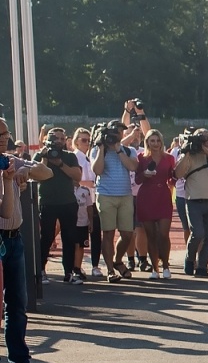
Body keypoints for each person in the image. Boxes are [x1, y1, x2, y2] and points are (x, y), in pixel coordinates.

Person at [1, 119, 53, 363]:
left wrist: (24, 172)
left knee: (18, 305)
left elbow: (46, 173)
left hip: (14, 238)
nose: (2, 137)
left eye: (5, 133)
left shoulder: (11, 160)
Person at [90, 120, 142, 282]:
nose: (118, 135)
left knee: (127, 234)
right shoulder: (98, 150)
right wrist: (102, 147)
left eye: (120, 132)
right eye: (116, 132)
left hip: (125, 195)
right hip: (105, 195)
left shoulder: (128, 150)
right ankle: (110, 270)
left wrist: (119, 149)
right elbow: (97, 170)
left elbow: (133, 167)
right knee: (108, 233)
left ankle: (118, 260)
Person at [36, 126, 84, 284]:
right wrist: (45, 157)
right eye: (56, 138)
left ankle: (69, 272)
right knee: (47, 237)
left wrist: (60, 163)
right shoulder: (41, 155)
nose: (59, 141)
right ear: (48, 139)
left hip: (68, 202)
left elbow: (77, 175)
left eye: (62, 139)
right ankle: (41, 270)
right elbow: (37, 176)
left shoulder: (69, 156)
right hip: (48, 202)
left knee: (70, 237)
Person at [174, 129, 208, 276]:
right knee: (197, 233)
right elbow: (178, 174)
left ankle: (202, 266)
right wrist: (187, 152)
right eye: (201, 140)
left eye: (206, 139)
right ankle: (190, 259)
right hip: (193, 200)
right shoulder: (188, 157)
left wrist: (207, 152)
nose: (204, 142)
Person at [133, 128, 176, 279]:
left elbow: (172, 179)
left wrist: (177, 176)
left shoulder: (169, 158)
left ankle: (165, 265)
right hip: (146, 196)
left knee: (163, 234)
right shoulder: (141, 158)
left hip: (163, 195)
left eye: (158, 140)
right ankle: (155, 269)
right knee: (150, 235)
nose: (156, 143)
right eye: (152, 141)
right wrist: (144, 174)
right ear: (147, 142)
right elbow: (137, 179)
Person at [72, 128, 104, 278]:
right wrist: (88, 183)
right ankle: (76, 266)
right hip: (80, 201)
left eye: (88, 140)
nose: (86, 143)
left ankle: (95, 265)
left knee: (96, 232)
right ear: (76, 141)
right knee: (79, 235)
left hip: (92, 199)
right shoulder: (75, 157)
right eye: (83, 140)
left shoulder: (88, 157)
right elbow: (74, 179)